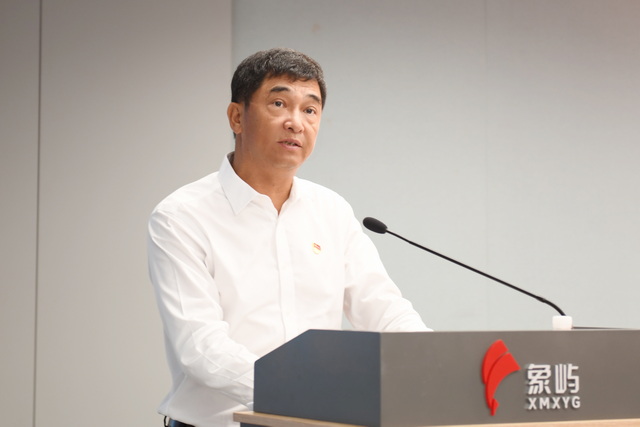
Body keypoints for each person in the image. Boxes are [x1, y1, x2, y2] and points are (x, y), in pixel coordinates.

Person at [147, 47, 430, 427]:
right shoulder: (182, 216)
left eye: (310, 110)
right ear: (237, 117)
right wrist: (305, 394)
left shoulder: (331, 210)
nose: (296, 123)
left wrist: (433, 364)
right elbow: (200, 348)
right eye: (279, 104)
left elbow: (384, 310)